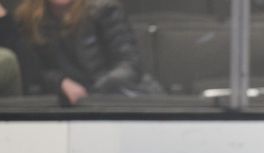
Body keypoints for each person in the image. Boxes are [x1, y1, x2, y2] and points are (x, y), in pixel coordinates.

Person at [14, 0, 160, 105]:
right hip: (64, 102)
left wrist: (92, 92)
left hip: (117, 95)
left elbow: (129, 63)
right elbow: (31, 69)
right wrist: (60, 83)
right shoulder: (27, 18)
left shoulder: (105, 9)